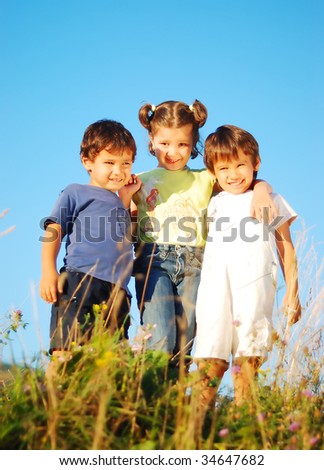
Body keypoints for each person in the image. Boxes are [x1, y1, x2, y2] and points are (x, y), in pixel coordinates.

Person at [119, 100, 276, 367]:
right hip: (153, 260)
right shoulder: (140, 180)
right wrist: (125, 201)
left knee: (186, 341)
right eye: (165, 143)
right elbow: (122, 223)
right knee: (159, 338)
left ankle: (175, 404)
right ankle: (151, 396)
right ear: (151, 139)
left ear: (193, 143)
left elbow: (242, 175)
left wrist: (262, 190)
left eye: (182, 144)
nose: (173, 152)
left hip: (196, 264)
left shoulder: (206, 178)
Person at [194, 124, 302, 408]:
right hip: (215, 289)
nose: (233, 174)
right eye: (224, 168)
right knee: (210, 357)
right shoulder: (213, 203)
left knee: (249, 357)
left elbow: (286, 248)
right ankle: (193, 429)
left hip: (254, 285)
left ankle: (245, 426)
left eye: (241, 165)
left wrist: (293, 292)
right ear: (213, 173)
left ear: (256, 163)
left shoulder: (271, 199)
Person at [40, 119, 141, 360]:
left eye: (125, 163)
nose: (118, 171)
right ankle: (53, 397)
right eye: (109, 162)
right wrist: (48, 271)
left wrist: (126, 198)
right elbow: (53, 230)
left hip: (117, 291)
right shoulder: (76, 192)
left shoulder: (120, 201)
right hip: (81, 280)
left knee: (109, 362)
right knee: (66, 352)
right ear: (87, 162)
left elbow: (124, 236)